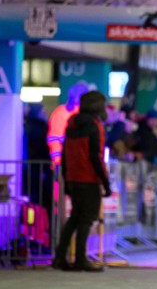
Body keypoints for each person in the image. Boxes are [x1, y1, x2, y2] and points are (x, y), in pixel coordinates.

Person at [52, 91, 112, 272]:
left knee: (74, 218)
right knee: (86, 218)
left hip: (72, 177)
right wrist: (105, 182)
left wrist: (65, 177)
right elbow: (96, 157)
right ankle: (80, 259)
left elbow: (64, 154)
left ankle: (60, 257)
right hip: (89, 178)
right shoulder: (95, 126)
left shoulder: (70, 124)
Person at [46, 82, 89, 166]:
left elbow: (53, 139)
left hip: (75, 162)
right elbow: (54, 138)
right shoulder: (62, 113)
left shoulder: (61, 112)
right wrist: (58, 161)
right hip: (68, 162)